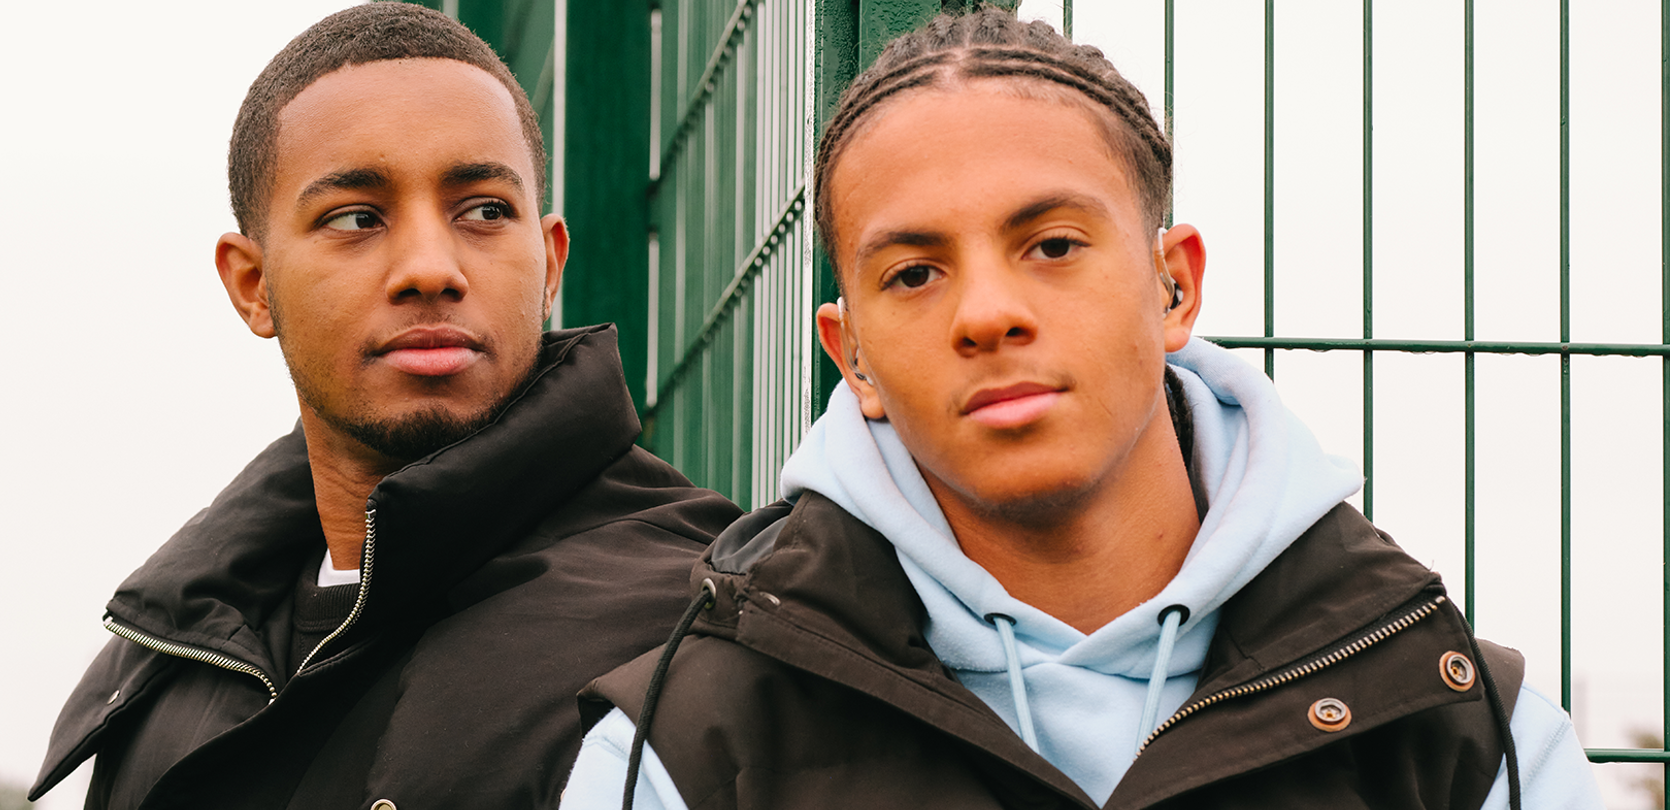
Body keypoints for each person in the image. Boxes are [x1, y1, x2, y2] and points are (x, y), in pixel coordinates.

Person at [563, 8, 1601, 810]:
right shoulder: (682, 751)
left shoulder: (1462, 723)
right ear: (855, 357)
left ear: (1174, 288)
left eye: (1052, 246)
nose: (988, 313)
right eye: (916, 273)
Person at [28, 5, 741, 808]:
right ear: (253, 286)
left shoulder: (700, 621)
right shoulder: (170, 658)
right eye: (357, 218)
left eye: (483, 211)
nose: (430, 268)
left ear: (548, 264)